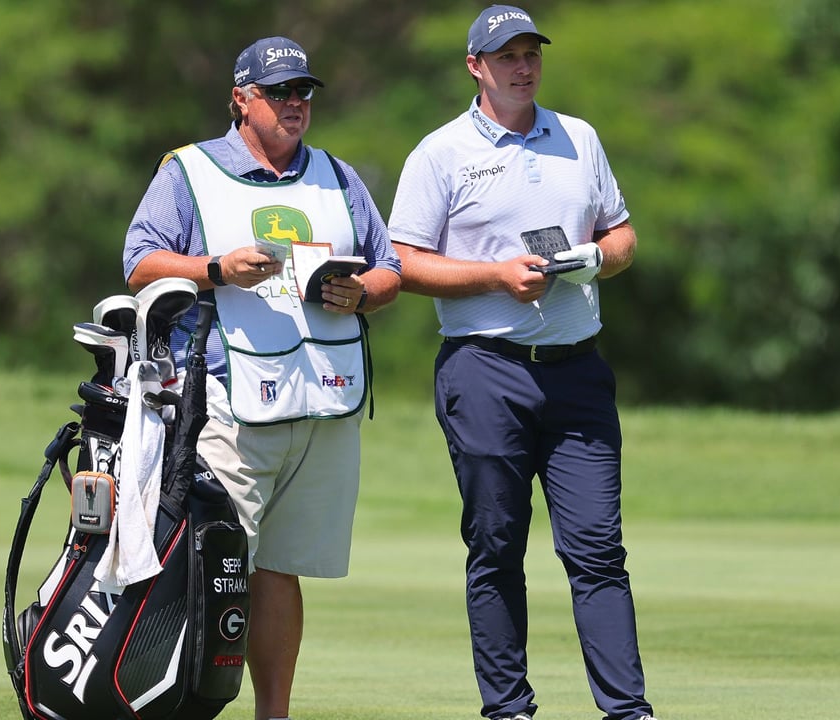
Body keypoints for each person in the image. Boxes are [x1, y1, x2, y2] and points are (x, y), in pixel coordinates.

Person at [387, 6, 656, 720]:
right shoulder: (439, 154)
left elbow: (622, 233)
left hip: (577, 371)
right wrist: (495, 277)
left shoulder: (580, 137)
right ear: (476, 66)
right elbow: (404, 264)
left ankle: (627, 710)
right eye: (506, 55)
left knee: (598, 551)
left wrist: (599, 256)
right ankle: (509, 710)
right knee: (497, 548)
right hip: (485, 371)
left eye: (531, 51)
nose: (523, 65)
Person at [122, 35, 400, 720]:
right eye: (279, 93)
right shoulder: (189, 169)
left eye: (303, 92)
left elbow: (391, 267)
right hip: (229, 403)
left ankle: (272, 714)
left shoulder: (337, 174)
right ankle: (170, 703)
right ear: (241, 99)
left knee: (281, 569)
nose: (295, 105)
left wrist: (364, 292)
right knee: (205, 567)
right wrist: (216, 268)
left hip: (324, 403)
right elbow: (138, 261)